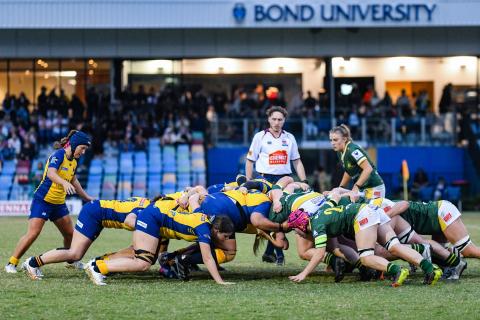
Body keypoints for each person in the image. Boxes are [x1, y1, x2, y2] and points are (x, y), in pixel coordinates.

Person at [84, 202, 236, 286]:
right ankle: (98, 267)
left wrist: (188, 194)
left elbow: (194, 199)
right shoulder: (204, 230)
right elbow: (208, 258)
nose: (225, 239)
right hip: (153, 219)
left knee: (140, 257)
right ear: (216, 229)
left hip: (155, 216)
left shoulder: (204, 217)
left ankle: (98, 265)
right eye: (225, 236)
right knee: (142, 263)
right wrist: (220, 281)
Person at [5, 130, 93, 273]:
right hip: (43, 200)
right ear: (75, 144)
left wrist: (86, 197)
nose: (83, 152)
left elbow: (73, 180)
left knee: (70, 234)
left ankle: (71, 261)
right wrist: (64, 184)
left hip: (58, 203)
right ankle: (11, 263)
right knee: (33, 233)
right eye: (82, 148)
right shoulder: (59, 154)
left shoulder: (74, 161)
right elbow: (51, 173)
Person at [22, 197, 150, 280]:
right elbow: (129, 221)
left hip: (98, 212)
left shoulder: (148, 202)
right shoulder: (147, 209)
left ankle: (100, 264)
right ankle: (32, 263)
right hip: (94, 213)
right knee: (74, 253)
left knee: (75, 253)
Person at [245, 106, 307, 265]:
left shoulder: (290, 138)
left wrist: (304, 181)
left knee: (281, 214)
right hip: (265, 180)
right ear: (268, 119)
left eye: (280, 119)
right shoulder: (260, 137)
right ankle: (275, 253)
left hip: (285, 179)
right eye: (274, 119)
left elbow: (297, 161)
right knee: (271, 215)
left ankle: (271, 252)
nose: (277, 122)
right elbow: (250, 161)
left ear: (284, 120)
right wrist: (248, 182)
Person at [330, 124, 385, 202]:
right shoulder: (340, 152)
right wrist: (340, 188)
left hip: (374, 188)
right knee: (336, 193)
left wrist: (356, 187)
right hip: (363, 190)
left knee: (370, 213)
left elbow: (368, 168)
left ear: (344, 139)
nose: (332, 143)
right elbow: (348, 171)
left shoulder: (352, 150)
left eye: (335, 140)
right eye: (331, 140)